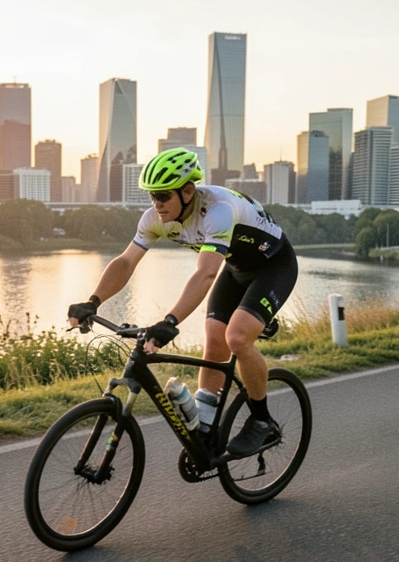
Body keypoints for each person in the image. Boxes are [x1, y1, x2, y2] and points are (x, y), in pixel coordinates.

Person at [67, 147, 298, 457]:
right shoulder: (156, 218)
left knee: (237, 337)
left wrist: (170, 322)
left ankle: (261, 421)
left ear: (188, 191)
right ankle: (205, 425)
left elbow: (205, 274)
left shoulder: (217, 211)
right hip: (237, 268)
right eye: (152, 196)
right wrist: (93, 301)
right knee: (214, 340)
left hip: (274, 265)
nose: (157, 203)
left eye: (163, 195)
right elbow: (125, 262)